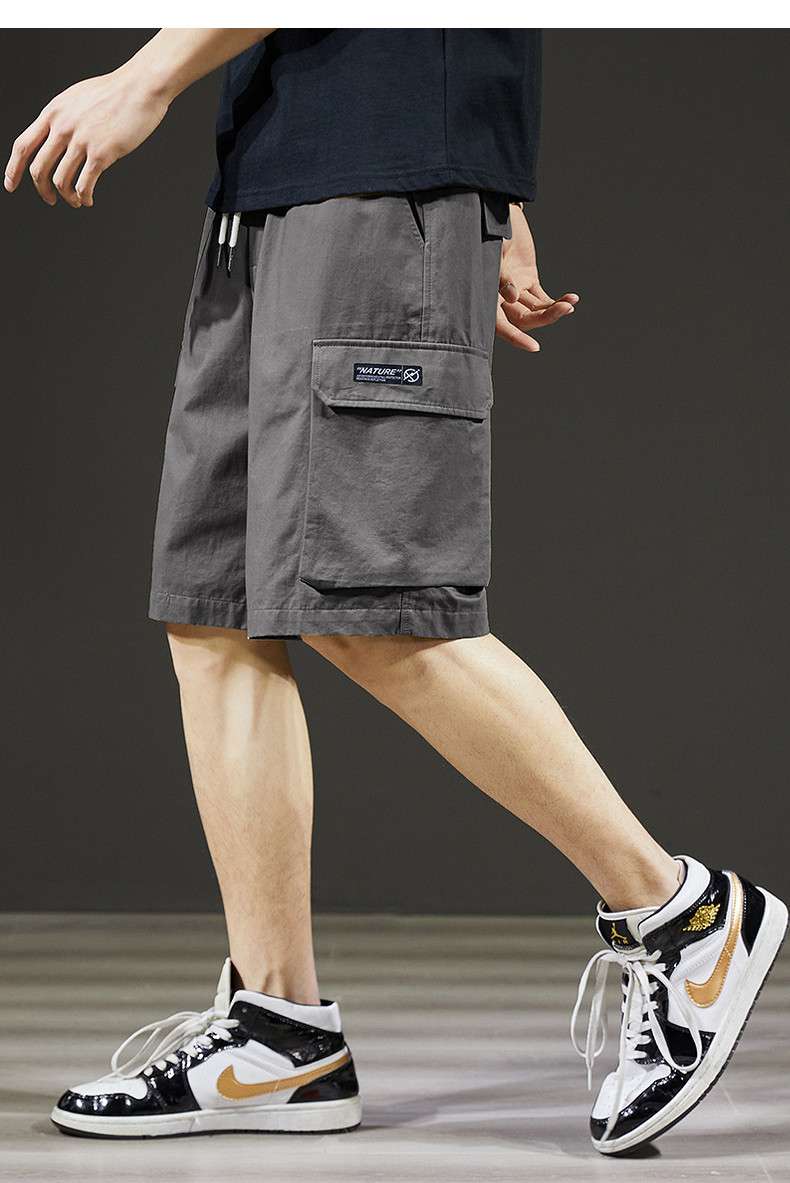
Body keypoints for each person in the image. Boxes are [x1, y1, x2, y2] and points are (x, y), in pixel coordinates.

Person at [5, 27, 786, 1156]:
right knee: (214, 610)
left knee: (369, 599)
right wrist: (494, 198)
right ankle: (279, 1031)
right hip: (277, 181)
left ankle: (683, 914)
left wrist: (144, 77)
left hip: (375, 189)